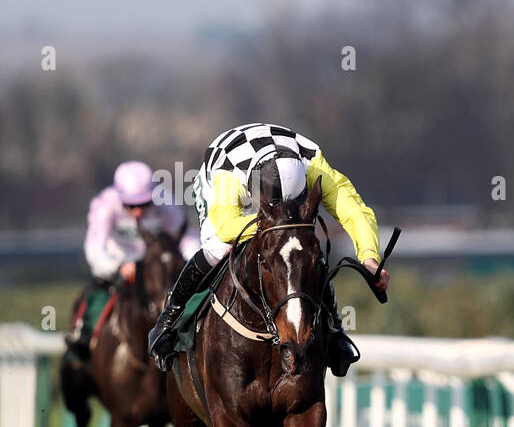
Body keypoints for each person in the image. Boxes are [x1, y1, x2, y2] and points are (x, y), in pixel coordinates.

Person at [147, 122, 389, 375]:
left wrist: (370, 257)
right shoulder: (228, 176)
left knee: (305, 254)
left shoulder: (313, 165)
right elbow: (227, 227)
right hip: (227, 169)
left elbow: (355, 213)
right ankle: (168, 321)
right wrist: (276, 226)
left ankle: (335, 329)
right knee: (218, 249)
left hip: (276, 181)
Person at [66, 161, 200, 358]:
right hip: (118, 271)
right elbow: (94, 249)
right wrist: (118, 267)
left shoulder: (165, 202)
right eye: (130, 205)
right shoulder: (104, 204)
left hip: (154, 272)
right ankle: (81, 343)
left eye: (144, 203)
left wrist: (190, 264)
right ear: (119, 197)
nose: (137, 211)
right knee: (93, 298)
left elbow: (186, 238)